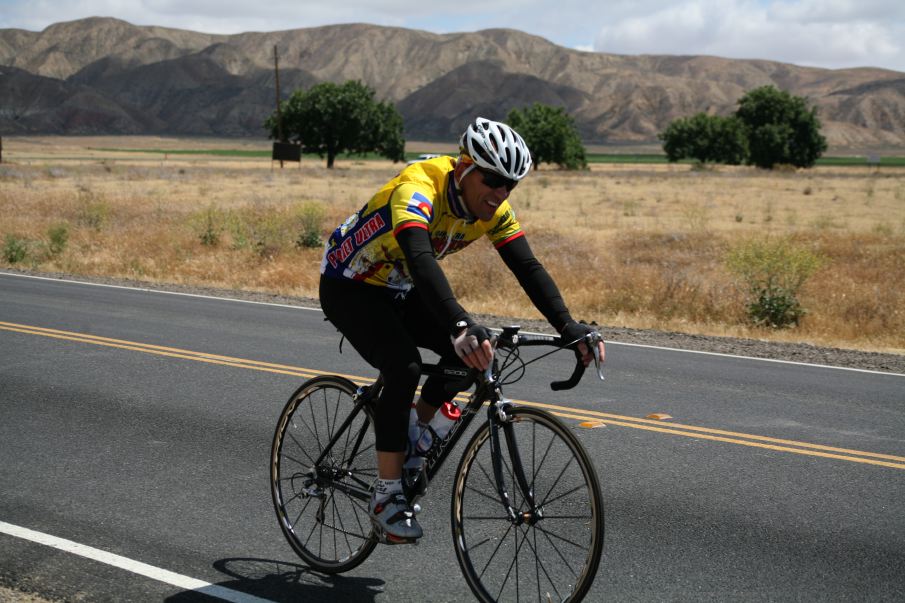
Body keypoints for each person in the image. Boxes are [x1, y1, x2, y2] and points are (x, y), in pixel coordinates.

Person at [319, 117, 605, 543]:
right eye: (493, 179)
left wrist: (569, 326)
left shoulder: (493, 208)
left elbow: (526, 266)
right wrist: (458, 324)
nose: (501, 193)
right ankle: (385, 496)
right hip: (351, 285)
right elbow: (420, 259)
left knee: (474, 349)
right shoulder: (417, 188)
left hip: (399, 286)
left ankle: (417, 429)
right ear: (465, 168)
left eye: (511, 185)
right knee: (404, 367)